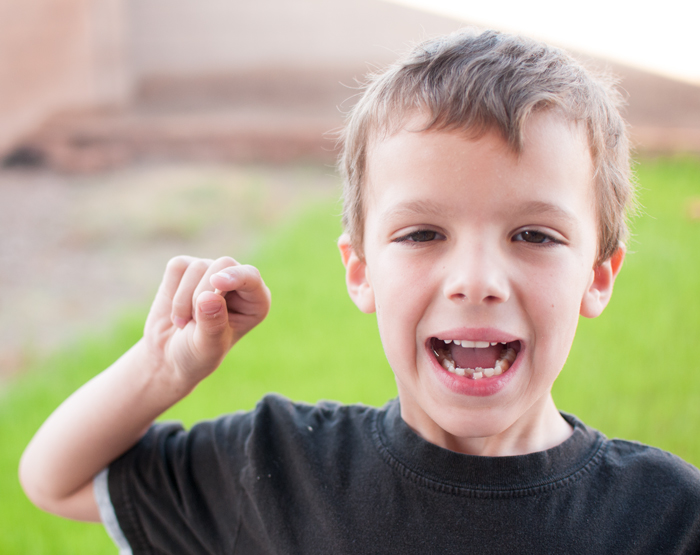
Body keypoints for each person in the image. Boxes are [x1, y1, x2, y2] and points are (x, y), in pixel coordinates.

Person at [19, 30, 700, 554]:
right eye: (424, 233)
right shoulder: (280, 468)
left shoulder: (668, 514)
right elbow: (54, 479)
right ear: (360, 268)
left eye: (533, 234)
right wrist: (159, 368)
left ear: (599, 274)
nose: (476, 281)